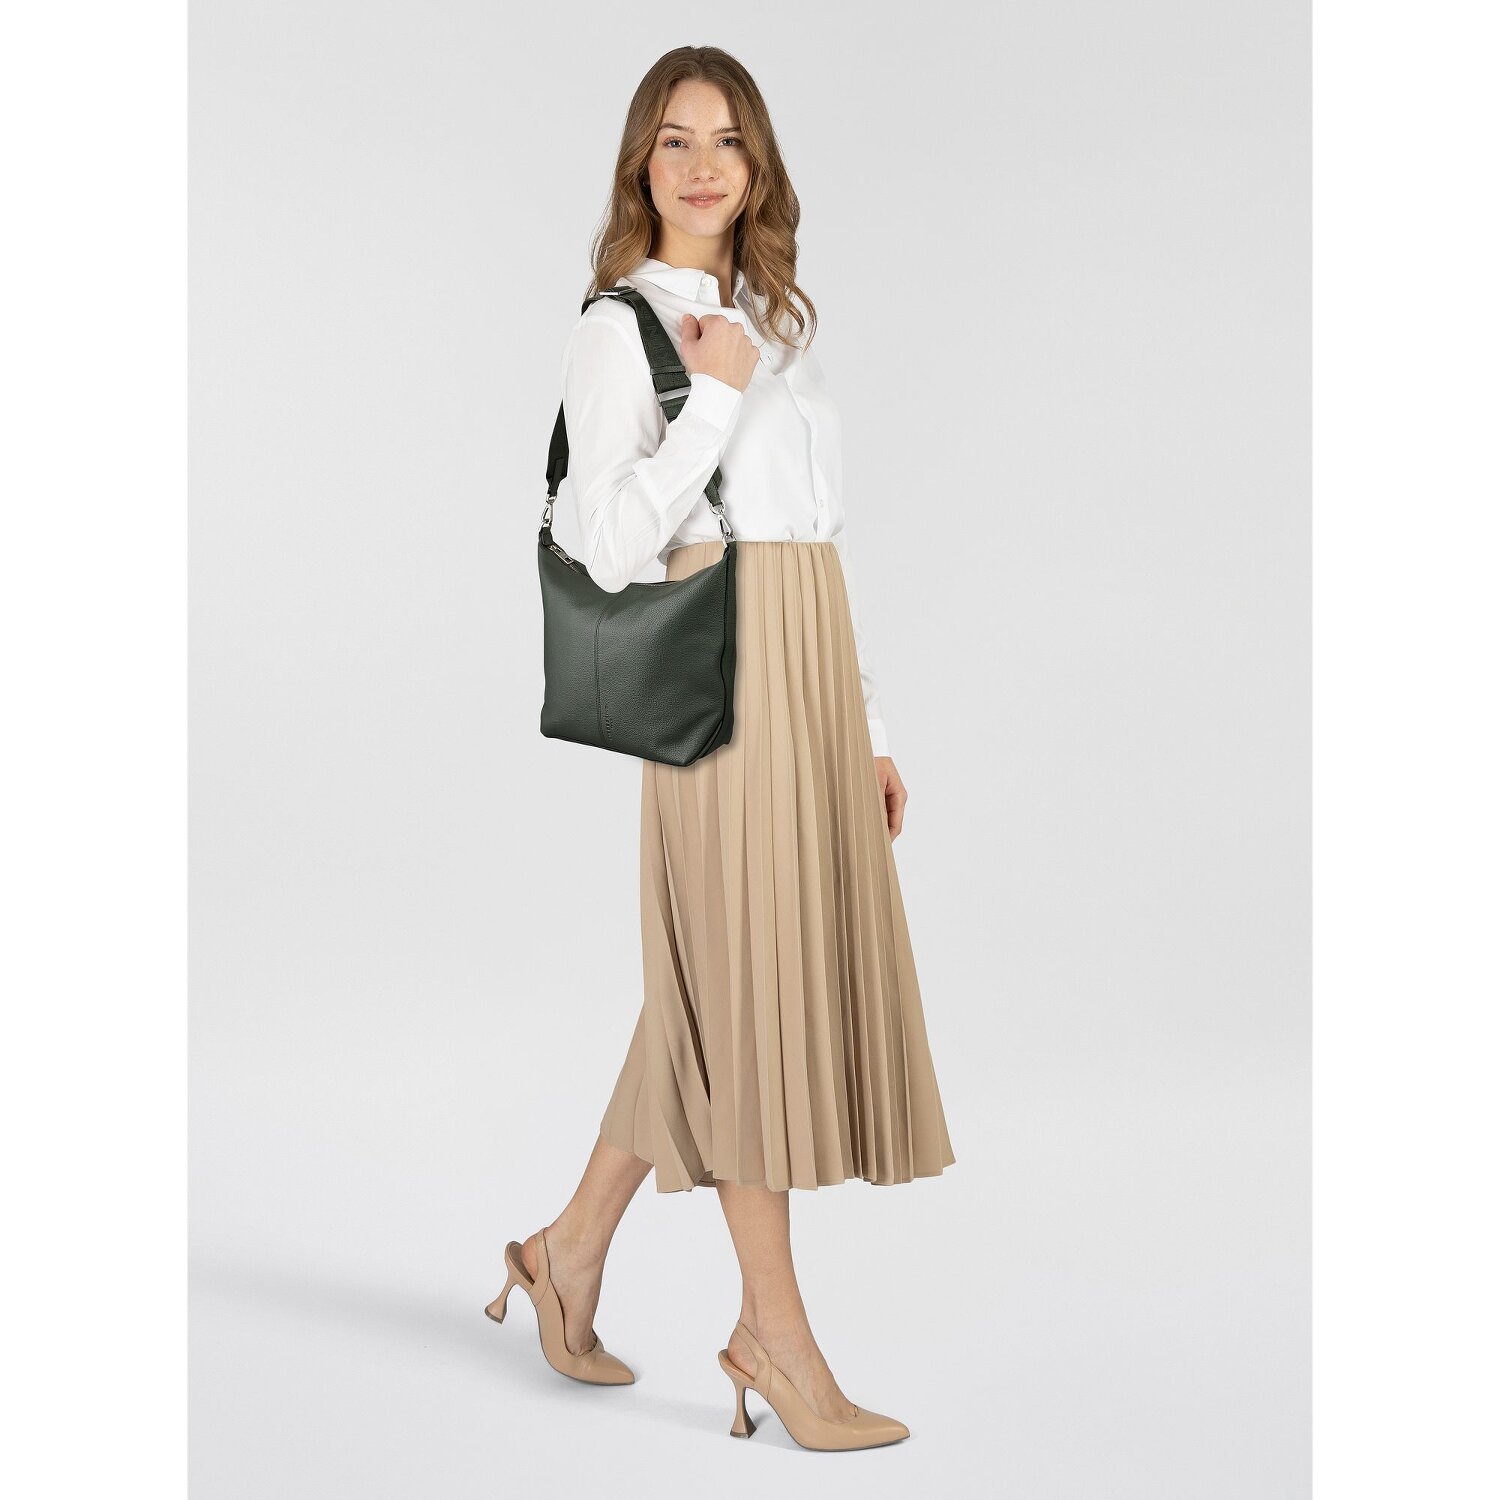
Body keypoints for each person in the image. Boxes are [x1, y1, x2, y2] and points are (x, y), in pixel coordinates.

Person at [488, 44, 955, 1453]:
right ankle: (777, 1339)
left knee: (717, 983)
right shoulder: (622, 327)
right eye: (676, 139)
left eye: (729, 141)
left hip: (807, 668)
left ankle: (566, 1252)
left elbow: (818, 540)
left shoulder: (762, 326)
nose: (703, 165)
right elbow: (607, 542)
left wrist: (867, 729)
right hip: (721, 674)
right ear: (642, 162)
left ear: (759, 169)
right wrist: (714, 404)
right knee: (745, 994)